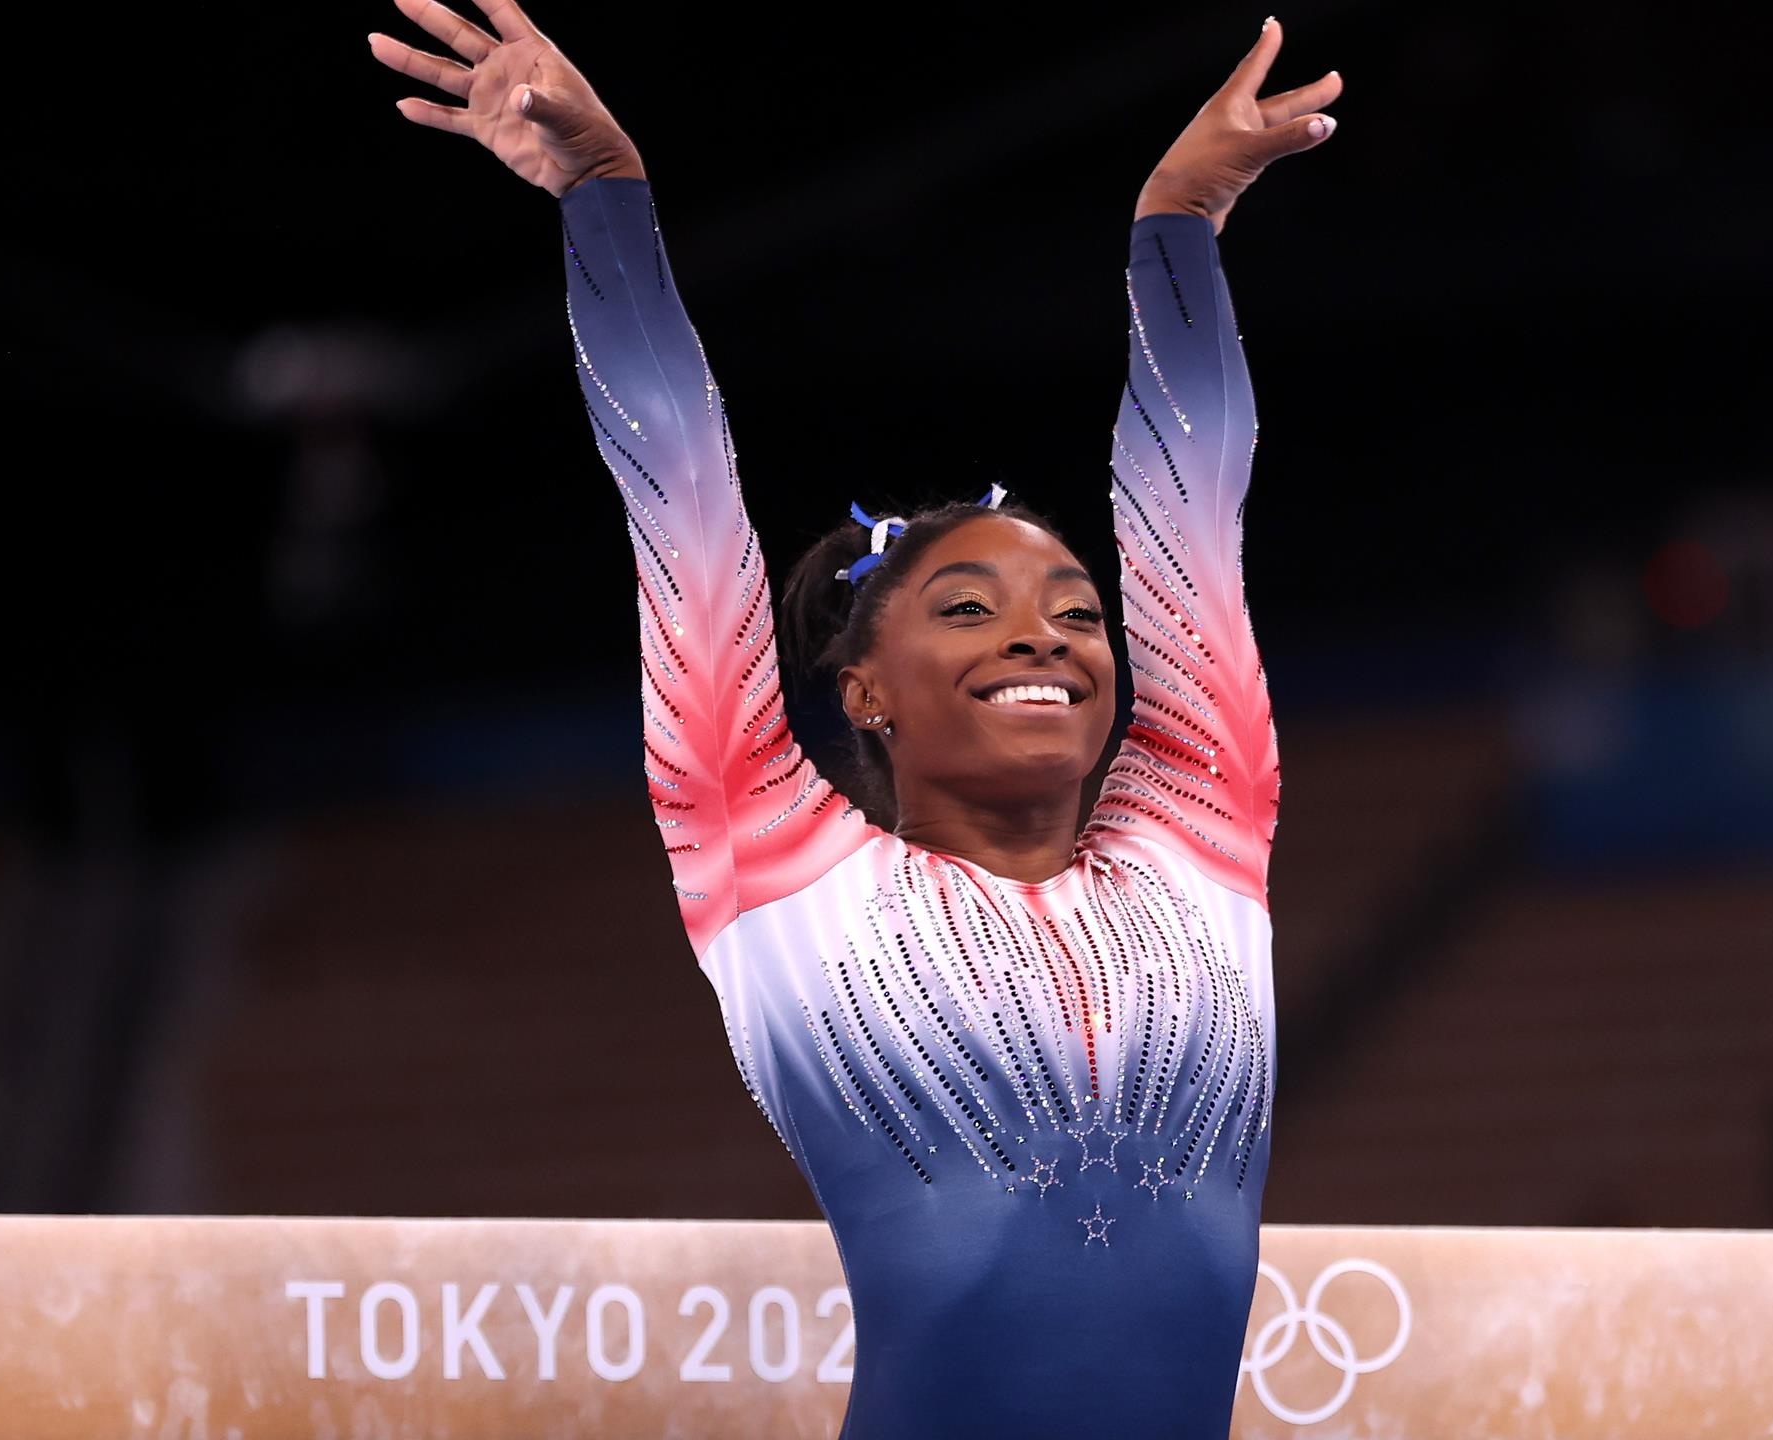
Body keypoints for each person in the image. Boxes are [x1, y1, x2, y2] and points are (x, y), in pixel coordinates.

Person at [369, 5, 1339, 1432]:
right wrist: (605, 198)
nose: (1044, 637)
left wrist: (1179, 222)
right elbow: (682, 492)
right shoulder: (775, 859)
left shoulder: (1204, 828)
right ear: (862, 691)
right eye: (969, 609)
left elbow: (1194, 495)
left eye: (1077, 612)